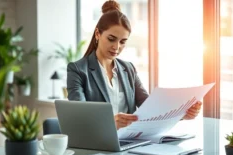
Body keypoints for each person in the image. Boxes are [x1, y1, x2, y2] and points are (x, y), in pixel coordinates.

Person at [67, 0, 202, 130]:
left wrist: (183, 114)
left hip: (129, 143)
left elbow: (150, 109)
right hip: (98, 145)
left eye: (123, 42)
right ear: (97, 34)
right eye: (111, 39)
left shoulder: (128, 69)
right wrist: (109, 123)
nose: (116, 47)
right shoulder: (78, 70)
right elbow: (80, 117)